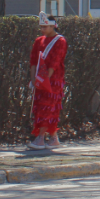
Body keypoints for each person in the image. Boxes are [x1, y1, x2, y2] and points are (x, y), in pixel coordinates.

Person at [27, 12, 68, 150]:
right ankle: (53, 138)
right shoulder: (39, 40)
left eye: (45, 27)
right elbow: (33, 60)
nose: (42, 30)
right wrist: (33, 79)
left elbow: (55, 62)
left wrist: (45, 79)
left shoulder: (60, 41)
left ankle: (41, 137)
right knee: (40, 107)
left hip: (53, 80)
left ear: (53, 26)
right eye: (41, 27)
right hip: (40, 79)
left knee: (49, 107)